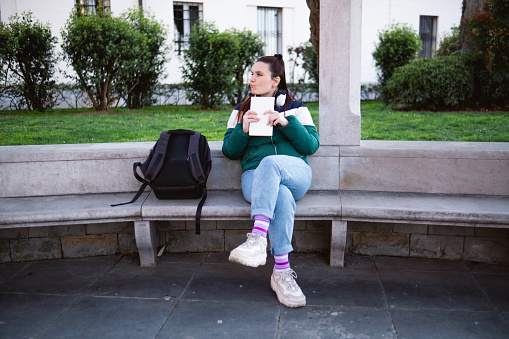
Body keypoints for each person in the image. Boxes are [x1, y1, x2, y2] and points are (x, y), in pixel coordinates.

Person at [222, 54, 320, 308]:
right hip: (255, 178)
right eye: (251, 74)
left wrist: (287, 123)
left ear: (275, 80)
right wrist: (243, 130)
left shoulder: (296, 108)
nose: (252, 79)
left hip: (295, 171)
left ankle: (257, 238)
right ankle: (282, 272)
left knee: (272, 164)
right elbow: (230, 151)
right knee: (282, 196)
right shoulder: (240, 111)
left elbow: (311, 145)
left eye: (258, 74)